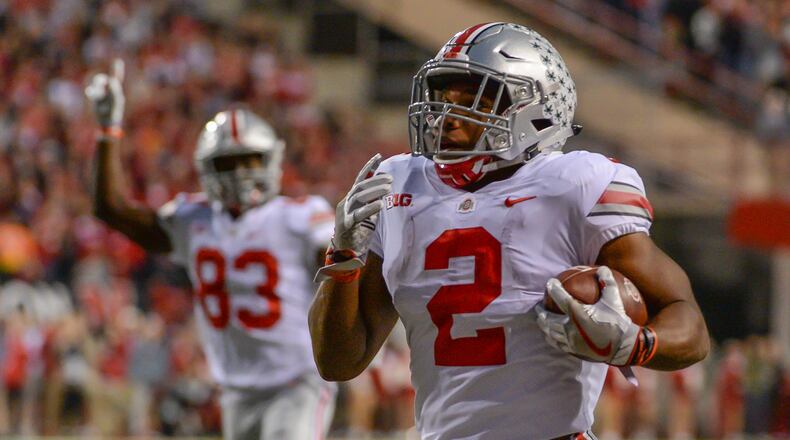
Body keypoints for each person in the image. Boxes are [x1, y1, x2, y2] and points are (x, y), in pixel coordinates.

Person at [308, 23, 709, 439]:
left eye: (476, 101)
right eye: (444, 97)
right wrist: (342, 259)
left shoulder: (577, 184)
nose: (448, 117)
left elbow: (690, 326)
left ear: (535, 109)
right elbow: (337, 362)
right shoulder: (399, 186)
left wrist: (635, 343)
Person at [85, 60, 336, 440]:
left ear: (272, 161)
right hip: (234, 391)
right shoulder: (192, 219)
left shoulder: (299, 216)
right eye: (227, 163)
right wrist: (107, 131)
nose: (239, 173)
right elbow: (111, 209)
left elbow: (342, 265)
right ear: (206, 168)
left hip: (296, 383)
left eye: (249, 160)